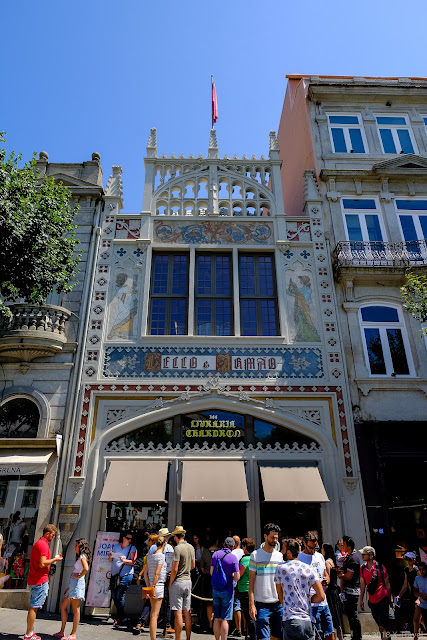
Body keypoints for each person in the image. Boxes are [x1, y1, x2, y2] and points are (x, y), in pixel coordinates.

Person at [275, 538, 326, 640]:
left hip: (290, 618)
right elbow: (321, 596)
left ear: (289, 553)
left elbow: (280, 595)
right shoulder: (308, 568)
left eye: (283, 550)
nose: (281, 552)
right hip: (307, 619)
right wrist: (309, 599)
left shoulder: (281, 568)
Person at [24, 524, 62, 640]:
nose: (53, 537)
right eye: (53, 535)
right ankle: (29, 634)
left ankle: (29, 632)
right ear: (47, 533)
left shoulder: (38, 544)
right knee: (34, 607)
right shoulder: (43, 545)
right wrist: (55, 559)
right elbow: (42, 563)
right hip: (40, 579)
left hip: (35, 578)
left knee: (33, 607)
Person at [248, 523, 283, 640]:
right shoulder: (255, 555)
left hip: (278, 603)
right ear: (265, 536)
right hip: (262, 604)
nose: (275, 540)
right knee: (263, 638)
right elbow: (251, 582)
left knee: (277, 636)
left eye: (277, 538)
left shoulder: (279, 556)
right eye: (272, 537)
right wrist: (251, 605)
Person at [298, 530, 335, 640]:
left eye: (315, 547)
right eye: (310, 548)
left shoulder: (319, 556)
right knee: (316, 635)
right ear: (304, 543)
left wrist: (326, 580)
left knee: (330, 633)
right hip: (311, 604)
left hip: (324, 602)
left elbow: (325, 574)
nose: (313, 550)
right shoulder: (300, 559)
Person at [55, 538, 91, 640]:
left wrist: (79, 576)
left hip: (77, 585)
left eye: (76, 545)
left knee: (76, 609)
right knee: (63, 606)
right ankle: (62, 632)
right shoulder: (80, 557)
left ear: (80, 547)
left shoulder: (82, 556)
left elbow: (86, 568)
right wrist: (69, 587)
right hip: (73, 585)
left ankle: (73, 634)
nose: (74, 547)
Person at [359, 545, 393, 640]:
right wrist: (361, 600)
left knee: (382, 625)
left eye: (364, 554)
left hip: (382, 598)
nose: (362, 555)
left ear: (371, 555)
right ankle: (387, 637)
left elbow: (387, 584)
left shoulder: (380, 568)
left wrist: (390, 599)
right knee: (380, 625)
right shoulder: (362, 568)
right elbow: (362, 585)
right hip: (372, 601)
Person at [210, 537, 240, 640]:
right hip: (227, 590)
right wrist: (231, 575)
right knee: (224, 619)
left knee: (217, 618)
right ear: (232, 547)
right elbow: (237, 577)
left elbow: (211, 572)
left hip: (216, 589)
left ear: (224, 545)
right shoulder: (233, 558)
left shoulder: (215, 554)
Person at [169, 526, 195, 640]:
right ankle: (188, 637)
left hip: (178, 581)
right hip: (188, 580)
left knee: (178, 613)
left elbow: (174, 569)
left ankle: (178, 638)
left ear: (175, 536)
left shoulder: (177, 549)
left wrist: (170, 582)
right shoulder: (191, 547)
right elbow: (193, 565)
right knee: (187, 611)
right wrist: (186, 569)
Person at [108, 530, 137, 627]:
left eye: (131, 539)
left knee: (119, 597)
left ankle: (118, 618)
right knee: (114, 596)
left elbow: (133, 561)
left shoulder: (132, 548)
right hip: (115, 575)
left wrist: (124, 560)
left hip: (125, 575)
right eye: (128, 538)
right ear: (123, 538)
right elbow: (110, 560)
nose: (129, 540)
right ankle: (123, 616)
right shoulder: (116, 547)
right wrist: (110, 556)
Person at [134, 534, 158, 635]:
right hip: (149, 578)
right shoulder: (151, 551)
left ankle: (142, 622)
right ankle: (142, 622)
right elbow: (146, 565)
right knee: (148, 601)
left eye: (150, 540)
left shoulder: (152, 551)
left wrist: (140, 575)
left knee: (149, 601)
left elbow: (146, 565)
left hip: (150, 578)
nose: (148, 541)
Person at [144, 536, 168, 640]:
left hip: (152, 586)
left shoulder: (150, 557)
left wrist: (149, 586)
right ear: (164, 545)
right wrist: (153, 586)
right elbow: (157, 573)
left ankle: (152, 637)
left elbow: (145, 573)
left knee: (153, 613)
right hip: (158, 586)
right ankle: (153, 638)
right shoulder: (161, 557)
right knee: (155, 615)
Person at [338, 535, 361, 640]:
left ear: (349, 546)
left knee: (353, 615)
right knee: (350, 614)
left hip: (352, 590)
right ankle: (354, 635)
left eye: (344, 545)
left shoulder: (353, 558)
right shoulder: (349, 556)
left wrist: (341, 575)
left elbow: (349, 575)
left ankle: (357, 636)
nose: (343, 546)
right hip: (349, 590)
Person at [322, 543, 344, 640]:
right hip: (335, 591)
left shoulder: (327, 562)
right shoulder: (333, 561)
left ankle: (335, 636)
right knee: (337, 615)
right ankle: (340, 636)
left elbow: (327, 579)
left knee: (332, 615)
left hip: (330, 591)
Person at [396, 551, 418, 633]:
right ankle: (415, 631)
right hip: (412, 593)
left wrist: (419, 597)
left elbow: (420, 583)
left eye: (409, 559)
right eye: (406, 559)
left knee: (419, 614)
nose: (408, 561)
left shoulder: (417, 570)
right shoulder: (406, 570)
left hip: (418, 593)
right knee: (412, 613)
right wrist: (399, 595)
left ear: (414, 560)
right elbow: (405, 583)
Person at [238, 538, 256, 640]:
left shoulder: (245, 559)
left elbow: (239, 574)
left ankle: (252, 636)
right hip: (254, 589)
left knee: (249, 616)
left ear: (244, 547)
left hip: (245, 590)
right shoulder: (255, 558)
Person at [232, 536, 244, 637]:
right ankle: (245, 627)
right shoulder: (243, 552)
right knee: (244, 605)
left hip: (235, 579)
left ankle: (238, 628)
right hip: (245, 581)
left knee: (237, 605)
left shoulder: (233, 553)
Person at [414, 562, 427, 636]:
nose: (421, 571)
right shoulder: (417, 578)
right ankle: (415, 636)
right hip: (423, 605)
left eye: (423, 569)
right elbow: (415, 591)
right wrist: (420, 595)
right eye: (420, 569)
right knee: (418, 620)